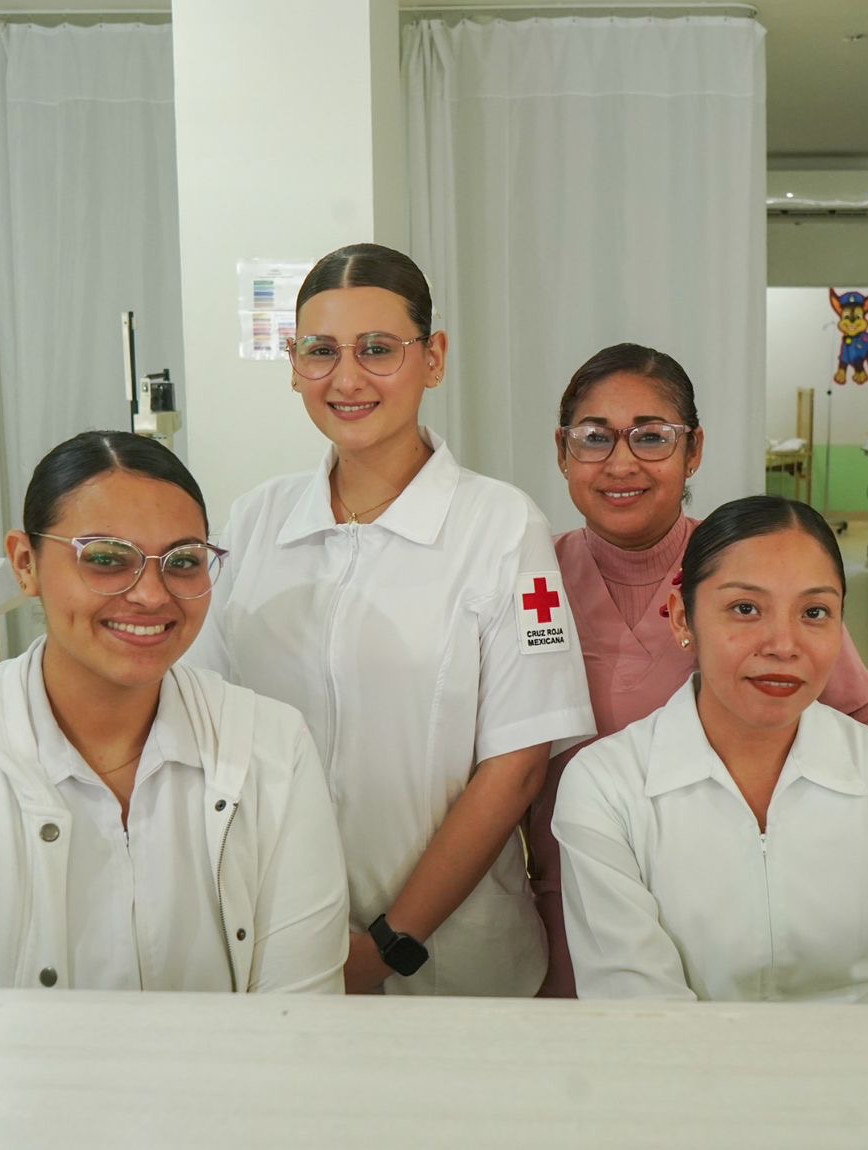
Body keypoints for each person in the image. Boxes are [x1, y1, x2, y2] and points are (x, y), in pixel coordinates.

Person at [186, 243, 594, 996]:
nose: (347, 379)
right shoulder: (254, 521)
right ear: (293, 364)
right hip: (273, 944)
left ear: (432, 359)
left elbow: (516, 767)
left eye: (378, 349)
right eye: (321, 351)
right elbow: (202, 719)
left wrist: (389, 944)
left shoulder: (503, 527)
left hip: (451, 961)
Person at [0, 431, 349, 991]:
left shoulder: (273, 747)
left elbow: (299, 1014)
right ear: (25, 563)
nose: (152, 595)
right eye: (105, 559)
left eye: (183, 561)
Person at [530, 342, 868, 997]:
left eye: (652, 436)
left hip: (731, 901)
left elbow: (859, 723)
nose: (621, 462)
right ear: (563, 451)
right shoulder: (531, 580)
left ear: (693, 450)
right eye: (594, 437)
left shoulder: (745, 568)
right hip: (571, 896)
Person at [552, 495, 868, 1004]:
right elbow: (642, 1017)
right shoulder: (605, 788)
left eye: (814, 612)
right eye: (745, 609)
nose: (783, 645)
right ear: (682, 620)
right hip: (682, 1059)